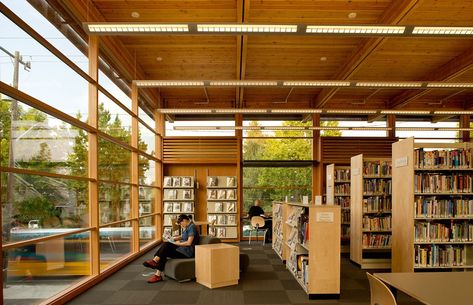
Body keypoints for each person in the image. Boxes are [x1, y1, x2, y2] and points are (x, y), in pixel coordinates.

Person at [143, 214, 199, 283]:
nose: (181, 225)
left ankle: (155, 262)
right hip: (182, 249)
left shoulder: (192, 227)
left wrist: (175, 243)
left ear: (184, 220)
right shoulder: (187, 227)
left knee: (166, 245)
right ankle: (157, 274)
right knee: (164, 251)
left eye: (181, 223)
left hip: (188, 252)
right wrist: (173, 239)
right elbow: (182, 236)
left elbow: (189, 243)